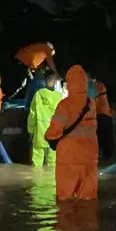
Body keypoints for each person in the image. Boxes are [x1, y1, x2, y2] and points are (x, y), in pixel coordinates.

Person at [45, 65, 99, 200]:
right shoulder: (91, 104)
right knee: (88, 200)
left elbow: (54, 132)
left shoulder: (64, 105)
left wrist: (48, 137)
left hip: (68, 159)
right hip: (89, 159)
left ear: (69, 84)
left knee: (65, 200)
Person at [27, 70, 63, 168]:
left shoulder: (38, 94)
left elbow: (32, 115)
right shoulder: (59, 97)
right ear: (55, 81)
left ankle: (37, 182)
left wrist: (30, 131)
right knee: (53, 164)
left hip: (40, 132)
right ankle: (51, 182)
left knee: (37, 163)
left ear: (44, 80)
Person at [92, 77, 115, 160]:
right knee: (107, 140)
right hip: (106, 115)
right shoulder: (101, 85)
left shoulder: (95, 85)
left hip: (99, 115)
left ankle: (100, 157)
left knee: (99, 139)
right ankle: (107, 158)